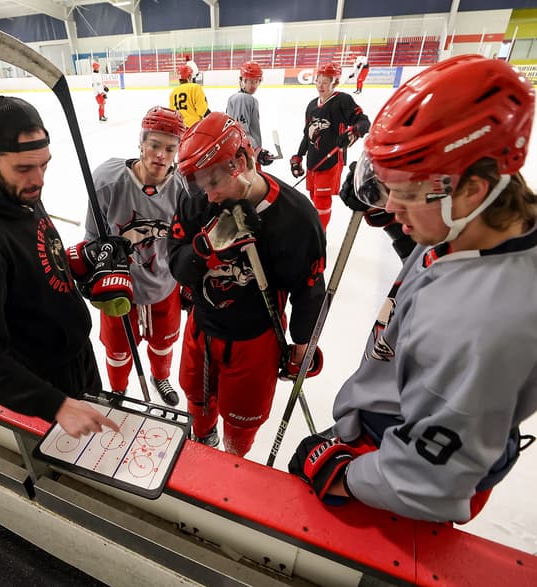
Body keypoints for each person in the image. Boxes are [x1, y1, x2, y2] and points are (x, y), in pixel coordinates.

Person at [289, 55, 537, 524]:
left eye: (404, 190)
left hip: (397, 461)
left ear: (471, 190)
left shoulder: (483, 327)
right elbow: (440, 259)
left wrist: (346, 475)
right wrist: (400, 213)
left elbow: (431, 479)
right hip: (389, 420)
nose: (389, 206)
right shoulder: (472, 228)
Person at [0, 95, 127, 438]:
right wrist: (55, 404)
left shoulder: (19, 194)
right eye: (25, 168)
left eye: (44, 164)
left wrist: (81, 260)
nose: (38, 179)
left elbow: (37, 265)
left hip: (77, 363)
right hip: (44, 389)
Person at [168, 112, 326, 456]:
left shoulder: (296, 217)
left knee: (241, 424)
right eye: (199, 184)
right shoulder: (196, 202)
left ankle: (232, 461)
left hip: (256, 342)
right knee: (197, 400)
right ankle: (203, 440)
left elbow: (310, 289)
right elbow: (177, 266)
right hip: (202, 329)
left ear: (240, 162)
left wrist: (302, 344)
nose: (207, 196)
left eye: (213, 183)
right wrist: (204, 251)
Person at [84, 106, 189, 405]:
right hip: (119, 285)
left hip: (163, 282)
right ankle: (118, 389)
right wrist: (97, 268)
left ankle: (160, 376)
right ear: (141, 143)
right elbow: (92, 238)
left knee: (163, 341)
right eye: (154, 145)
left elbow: (186, 241)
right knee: (117, 348)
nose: (160, 155)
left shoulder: (183, 188)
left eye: (170, 148)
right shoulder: (108, 180)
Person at [290, 62, 370, 230]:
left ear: (335, 82)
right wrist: (298, 156)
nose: (321, 85)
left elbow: (363, 121)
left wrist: (355, 130)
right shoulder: (312, 105)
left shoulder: (343, 100)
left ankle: (319, 234)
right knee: (314, 197)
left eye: (326, 81)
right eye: (319, 80)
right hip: (314, 160)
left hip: (331, 160)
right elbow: (307, 134)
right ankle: (317, 229)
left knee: (322, 200)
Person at [225, 61, 263, 150]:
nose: (254, 85)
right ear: (242, 80)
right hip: (246, 153)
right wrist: (256, 150)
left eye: (256, 81)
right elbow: (241, 131)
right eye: (250, 81)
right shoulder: (243, 98)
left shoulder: (238, 98)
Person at [169, 65, 210, 129]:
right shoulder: (195, 88)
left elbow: (173, 113)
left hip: (180, 128)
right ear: (189, 76)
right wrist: (212, 117)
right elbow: (202, 110)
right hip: (194, 128)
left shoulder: (173, 92)